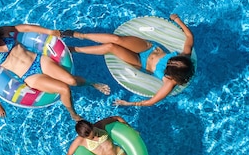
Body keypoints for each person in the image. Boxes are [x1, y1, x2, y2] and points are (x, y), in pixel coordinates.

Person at [0, 22, 110, 121]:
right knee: (64, 89)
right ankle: (73, 114)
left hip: (40, 61)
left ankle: (92, 83)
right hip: (30, 76)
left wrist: (50, 32)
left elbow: (26, 27)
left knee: (72, 80)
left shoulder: (4, 31)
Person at [61, 13, 194, 107]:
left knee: (111, 47)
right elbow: (189, 36)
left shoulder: (170, 83)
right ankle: (79, 35)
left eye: (171, 64)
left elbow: (151, 101)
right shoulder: (185, 56)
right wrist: (177, 20)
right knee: (117, 39)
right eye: (174, 59)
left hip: (140, 62)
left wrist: (129, 103)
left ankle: (75, 50)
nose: (171, 60)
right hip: (147, 48)